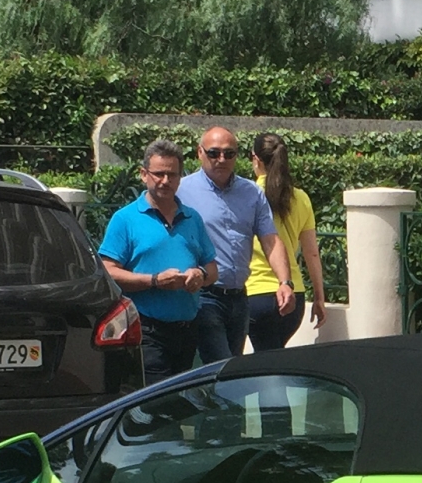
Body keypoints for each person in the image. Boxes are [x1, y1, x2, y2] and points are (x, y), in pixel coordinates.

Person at [99, 139, 217, 384]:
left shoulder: (192, 218)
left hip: (188, 329)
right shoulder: (125, 219)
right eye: (159, 174)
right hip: (147, 330)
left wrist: (200, 275)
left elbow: (213, 269)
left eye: (172, 175)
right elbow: (108, 272)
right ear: (144, 175)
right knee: (157, 404)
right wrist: (153, 281)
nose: (165, 181)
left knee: (181, 401)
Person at [178, 126, 294, 363]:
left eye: (229, 154)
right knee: (221, 366)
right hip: (204, 297)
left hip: (240, 298)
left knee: (230, 370)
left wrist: (285, 282)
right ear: (200, 153)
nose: (221, 159)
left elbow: (270, 240)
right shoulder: (181, 191)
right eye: (214, 153)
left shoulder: (252, 193)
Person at [245, 132, 326, 354]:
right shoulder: (301, 198)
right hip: (294, 294)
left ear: (255, 159)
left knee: (266, 366)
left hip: (256, 292)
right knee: (274, 361)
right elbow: (312, 254)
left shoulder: (247, 195)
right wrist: (319, 297)